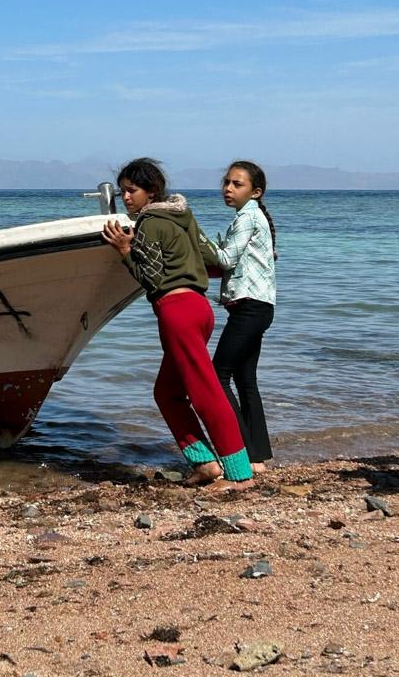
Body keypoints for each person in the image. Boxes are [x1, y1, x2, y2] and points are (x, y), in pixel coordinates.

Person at [102, 157, 254, 492]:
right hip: (200, 308)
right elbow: (213, 259)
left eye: (132, 191)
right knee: (168, 393)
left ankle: (240, 475)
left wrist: (126, 250)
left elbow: (153, 279)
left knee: (206, 394)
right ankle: (206, 463)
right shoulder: (183, 216)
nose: (126, 198)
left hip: (177, 311)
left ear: (151, 192)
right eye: (122, 192)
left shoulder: (149, 224)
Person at [201, 161, 277, 475]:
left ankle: (241, 451)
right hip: (259, 308)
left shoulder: (247, 217)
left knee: (218, 378)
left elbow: (225, 258)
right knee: (245, 381)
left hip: (248, 309)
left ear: (255, 192)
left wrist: (194, 243)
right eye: (227, 183)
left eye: (237, 184)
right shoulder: (255, 216)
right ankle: (257, 457)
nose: (228, 189)